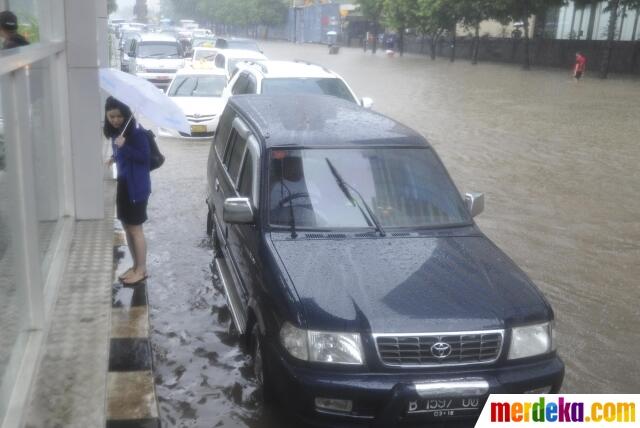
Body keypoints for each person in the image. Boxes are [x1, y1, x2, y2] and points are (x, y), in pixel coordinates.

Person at [103, 97, 151, 286]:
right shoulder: (117, 133)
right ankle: (135, 265)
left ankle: (142, 269)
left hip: (137, 188)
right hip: (123, 185)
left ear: (126, 115)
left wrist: (125, 147)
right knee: (126, 228)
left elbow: (144, 158)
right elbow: (122, 155)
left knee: (135, 229)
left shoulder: (137, 134)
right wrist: (114, 157)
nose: (115, 120)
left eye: (119, 116)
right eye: (111, 116)